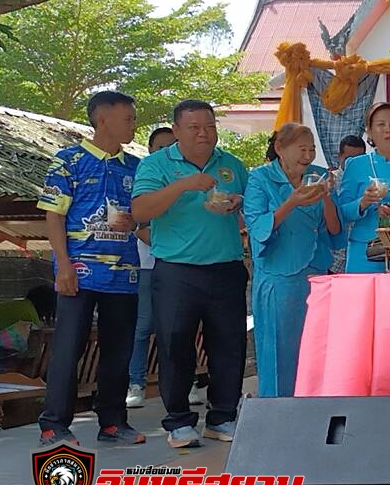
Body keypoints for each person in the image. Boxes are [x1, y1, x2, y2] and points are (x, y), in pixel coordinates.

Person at [132, 99, 250, 448]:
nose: (204, 133)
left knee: (230, 345)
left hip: (226, 266)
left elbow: (248, 206)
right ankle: (179, 422)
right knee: (174, 345)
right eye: (194, 127)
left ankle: (222, 417)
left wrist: (238, 204)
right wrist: (184, 185)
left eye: (210, 126)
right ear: (178, 130)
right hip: (176, 270)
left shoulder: (231, 164)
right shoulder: (156, 165)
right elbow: (140, 210)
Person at [35, 90, 144, 446]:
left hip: (124, 273)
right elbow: (54, 215)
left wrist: (136, 224)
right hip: (78, 272)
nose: (133, 124)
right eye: (127, 117)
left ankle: (113, 423)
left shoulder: (136, 167)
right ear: (103, 120)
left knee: (118, 350)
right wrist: (62, 265)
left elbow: (143, 220)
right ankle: (54, 426)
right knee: (68, 347)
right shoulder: (69, 160)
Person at [243, 124, 340, 397]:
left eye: (311, 149)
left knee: (317, 347)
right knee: (279, 347)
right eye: (301, 149)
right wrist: (291, 202)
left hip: (316, 271)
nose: (307, 155)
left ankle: (314, 408)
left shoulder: (319, 176)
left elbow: (334, 229)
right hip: (278, 274)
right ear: (280, 149)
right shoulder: (260, 179)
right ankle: (276, 412)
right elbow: (257, 225)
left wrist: (327, 197)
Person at [337, 103, 390, 273]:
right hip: (364, 253)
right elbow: (342, 213)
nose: (388, 130)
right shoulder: (355, 165)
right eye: (381, 124)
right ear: (369, 131)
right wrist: (362, 203)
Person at [126, 126, 177, 409]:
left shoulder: (186, 179)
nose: (166, 152)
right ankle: (136, 383)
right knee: (143, 326)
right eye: (160, 148)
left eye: (172, 146)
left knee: (179, 327)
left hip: (181, 268)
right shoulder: (145, 180)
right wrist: (174, 243)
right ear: (150, 151)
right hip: (149, 265)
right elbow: (139, 226)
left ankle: (187, 382)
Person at [329, 134, 367, 274]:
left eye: (358, 159)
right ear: (339, 156)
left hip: (362, 252)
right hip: (335, 257)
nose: (353, 163)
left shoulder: (370, 179)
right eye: (349, 159)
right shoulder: (329, 180)